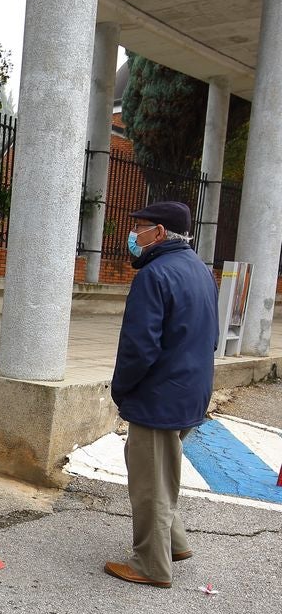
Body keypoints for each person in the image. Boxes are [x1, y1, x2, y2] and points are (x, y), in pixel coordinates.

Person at [106, 201, 218, 589]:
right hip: (191, 389)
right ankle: (175, 543)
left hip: (160, 394)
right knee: (164, 469)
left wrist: (121, 389)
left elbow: (140, 347)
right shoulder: (201, 270)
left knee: (149, 479)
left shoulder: (154, 275)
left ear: (158, 233)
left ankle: (150, 565)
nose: (133, 236)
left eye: (139, 228)